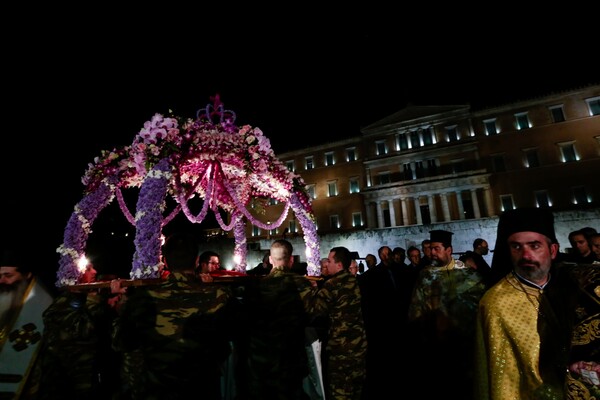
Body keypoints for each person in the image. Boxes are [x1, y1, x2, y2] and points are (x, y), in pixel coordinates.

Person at [474, 208, 600, 399]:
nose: (525, 255)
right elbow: (502, 378)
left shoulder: (577, 287)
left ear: (553, 250)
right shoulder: (495, 303)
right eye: (516, 247)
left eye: (534, 246)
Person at [111, 232, 234, 400]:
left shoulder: (142, 299)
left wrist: (123, 305)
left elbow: (121, 342)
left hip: (157, 389)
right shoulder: (219, 295)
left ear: (166, 262)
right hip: (202, 388)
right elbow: (230, 338)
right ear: (197, 260)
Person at [407, 230, 486, 400]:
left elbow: (481, 306)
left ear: (449, 250)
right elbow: (416, 311)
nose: (432, 253)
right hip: (436, 349)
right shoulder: (425, 275)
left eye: (436, 248)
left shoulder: (468, 274)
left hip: (466, 349)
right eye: (430, 249)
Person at [242, 239, 314, 400]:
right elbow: (310, 315)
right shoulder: (302, 284)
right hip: (291, 358)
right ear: (291, 259)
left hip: (262, 360)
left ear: (269, 260)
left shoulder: (257, 286)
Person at [310, 246, 367, 400]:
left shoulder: (332, 284)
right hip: (358, 347)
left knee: (340, 392)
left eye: (329, 261)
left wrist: (310, 290)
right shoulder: (352, 280)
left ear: (339, 265)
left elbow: (315, 310)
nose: (326, 264)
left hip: (340, 349)